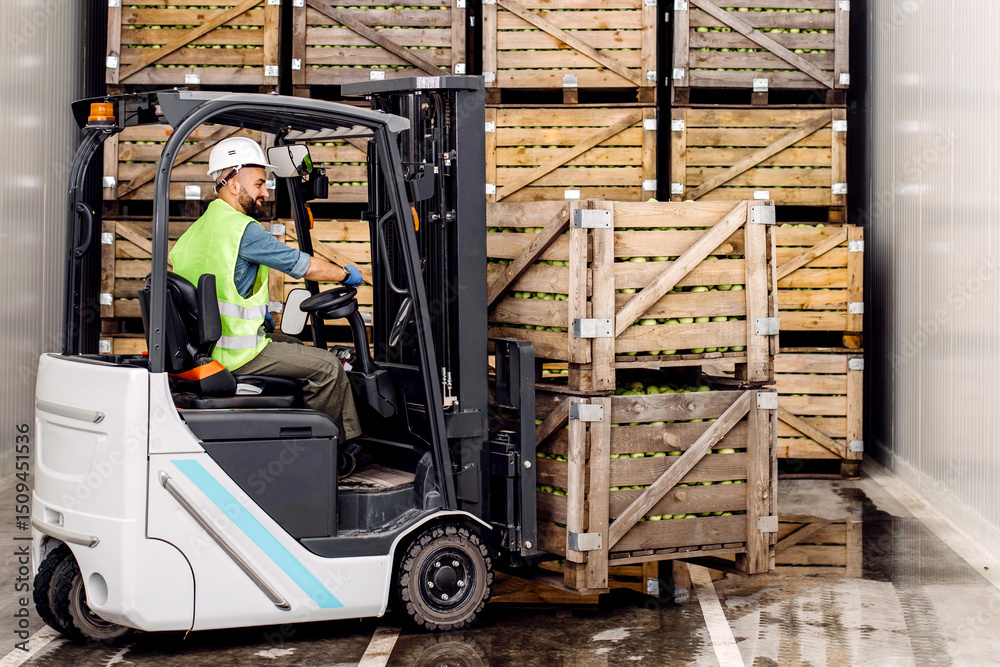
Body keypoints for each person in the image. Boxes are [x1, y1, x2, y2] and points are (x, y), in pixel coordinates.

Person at [169, 136, 363, 441]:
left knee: (297, 347)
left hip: (208, 348)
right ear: (233, 184)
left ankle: (323, 438)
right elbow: (304, 267)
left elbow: (220, 288)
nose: (264, 192)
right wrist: (346, 273)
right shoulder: (242, 230)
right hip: (234, 354)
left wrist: (260, 317)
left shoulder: (194, 232)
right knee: (327, 367)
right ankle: (330, 451)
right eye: (259, 184)